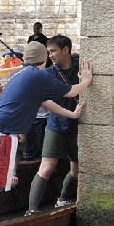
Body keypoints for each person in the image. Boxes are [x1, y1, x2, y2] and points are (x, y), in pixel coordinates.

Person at [0, 42, 92, 226]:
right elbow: (71, 91)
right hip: (2, 136)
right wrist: (86, 81)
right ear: (44, 58)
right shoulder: (38, 76)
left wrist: (72, 114)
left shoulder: (19, 74)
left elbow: (46, 102)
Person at [27, 35, 84, 215]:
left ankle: (63, 199)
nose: (50, 55)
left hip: (78, 126)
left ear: (66, 50)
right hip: (56, 124)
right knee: (46, 167)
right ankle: (32, 211)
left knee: (75, 169)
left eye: (53, 51)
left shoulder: (79, 67)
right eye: (48, 52)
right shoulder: (48, 74)